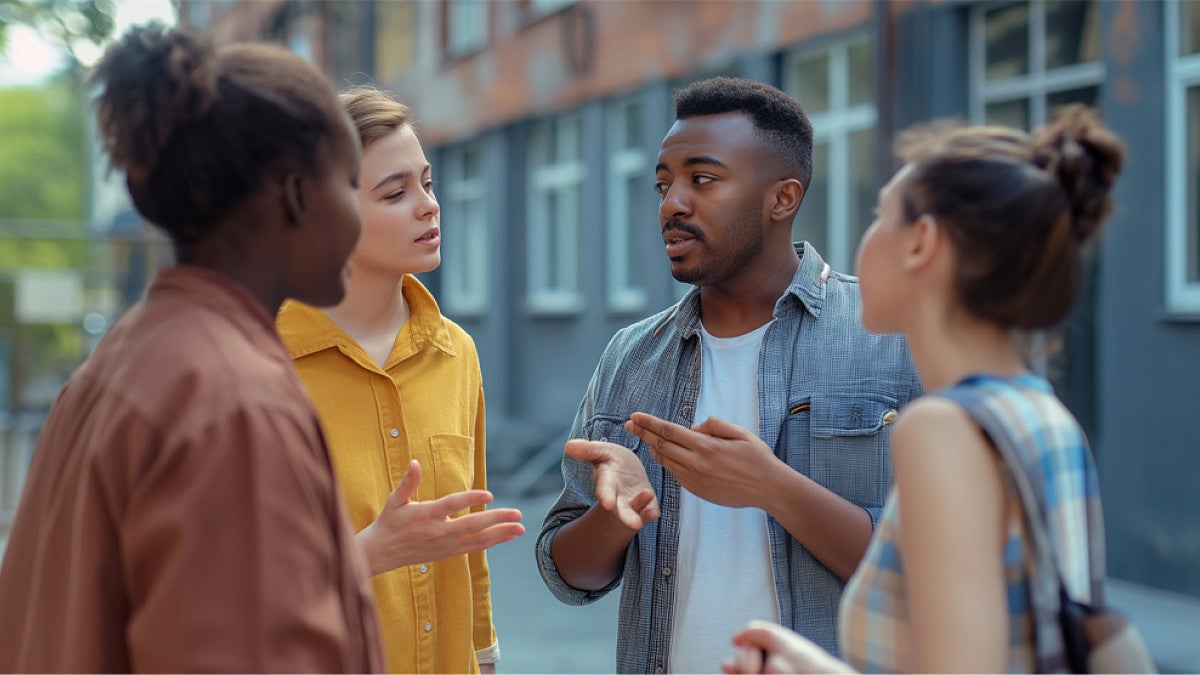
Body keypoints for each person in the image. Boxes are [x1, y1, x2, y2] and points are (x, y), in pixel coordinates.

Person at [0, 23, 383, 672]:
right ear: (296, 193)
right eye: (352, 183)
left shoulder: (123, 360)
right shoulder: (235, 405)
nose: (361, 215)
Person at [534, 76, 922, 674]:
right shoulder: (631, 355)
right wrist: (616, 514)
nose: (673, 203)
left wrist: (771, 487)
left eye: (703, 179)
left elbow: (934, 573)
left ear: (782, 198)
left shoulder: (891, 337)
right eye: (664, 184)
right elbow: (569, 576)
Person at [722, 105, 1126, 674]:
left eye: (879, 214)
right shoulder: (1041, 413)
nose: (865, 238)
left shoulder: (942, 429)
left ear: (921, 243)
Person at [276, 85, 524, 675]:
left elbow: (469, 550)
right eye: (396, 192)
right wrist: (365, 555)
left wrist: (485, 661)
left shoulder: (455, 353)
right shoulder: (256, 367)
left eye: (428, 183)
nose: (429, 205)